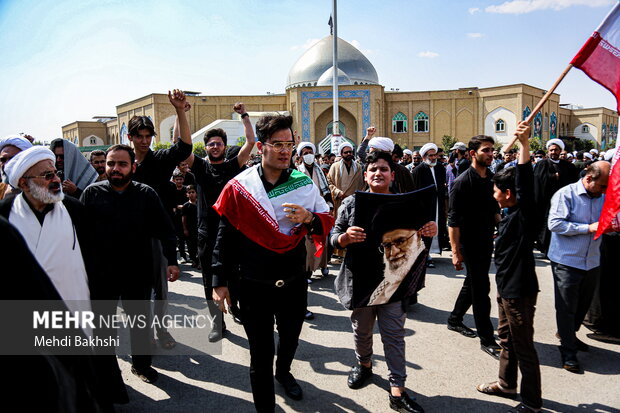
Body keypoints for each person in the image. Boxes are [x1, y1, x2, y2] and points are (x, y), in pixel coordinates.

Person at [211, 114, 334, 413]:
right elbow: (224, 237)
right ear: (261, 147)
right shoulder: (240, 187)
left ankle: (285, 372)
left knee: (290, 339)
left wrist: (309, 219)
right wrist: (219, 281)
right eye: (277, 144)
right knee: (260, 354)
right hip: (253, 285)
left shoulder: (303, 183)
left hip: (293, 281)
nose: (284, 150)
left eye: (288, 144)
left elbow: (326, 221)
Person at [332, 151, 435, 413]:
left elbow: (419, 244)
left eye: (384, 169)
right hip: (361, 282)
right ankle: (364, 365)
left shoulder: (407, 204)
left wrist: (428, 232)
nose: (378, 173)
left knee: (394, 336)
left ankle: (397, 389)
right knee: (362, 331)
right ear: (365, 175)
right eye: (373, 169)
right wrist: (344, 238)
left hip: (394, 283)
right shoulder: (352, 203)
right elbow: (333, 236)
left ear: (392, 174)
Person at [81, 144, 180, 384]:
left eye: (122, 164)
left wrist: (172, 262)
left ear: (133, 167)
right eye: (111, 163)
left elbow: (166, 230)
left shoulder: (146, 194)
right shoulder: (92, 194)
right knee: (102, 327)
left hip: (138, 272)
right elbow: (79, 234)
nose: (116, 168)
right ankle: (107, 375)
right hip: (101, 275)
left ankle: (141, 365)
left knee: (139, 323)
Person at [476, 121, 542, 413]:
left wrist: (525, 145)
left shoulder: (522, 215)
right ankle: (506, 384)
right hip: (506, 289)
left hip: (519, 291)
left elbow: (524, 183)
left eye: (495, 191)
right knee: (507, 339)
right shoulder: (509, 214)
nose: (493, 194)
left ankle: (531, 402)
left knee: (523, 345)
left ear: (506, 193)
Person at [183, 102, 255, 342]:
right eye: (211, 143)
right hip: (206, 233)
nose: (215, 146)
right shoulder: (201, 168)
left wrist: (243, 115)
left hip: (233, 232)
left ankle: (235, 308)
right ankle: (217, 323)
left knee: (235, 275)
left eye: (219, 143)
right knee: (208, 281)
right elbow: (181, 147)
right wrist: (180, 113)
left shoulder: (233, 166)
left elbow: (250, 143)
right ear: (206, 147)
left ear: (224, 146)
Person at [129, 89, 192, 349]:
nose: (144, 141)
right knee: (135, 294)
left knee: (160, 290)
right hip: (128, 238)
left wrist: (179, 110)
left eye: (148, 136)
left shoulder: (160, 161)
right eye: (139, 137)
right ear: (130, 137)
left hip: (157, 236)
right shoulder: (122, 162)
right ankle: (141, 336)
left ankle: (162, 330)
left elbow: (184, 147)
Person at [547, 161, 609, 373]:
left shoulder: (604, 197)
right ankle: (568, 352)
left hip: (591, 260)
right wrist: (586, 228)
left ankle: (569, 335)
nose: (604, 191)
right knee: (566, 307)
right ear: (589, 178)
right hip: (567, 260)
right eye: (602, 186)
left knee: (583, 305)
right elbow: (555, 224)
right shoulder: (566, 194)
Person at [447, 135, 502, 359]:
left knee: (473, 283)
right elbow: (453, 220)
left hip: (486, 239)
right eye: (486, 150)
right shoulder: (462, 182)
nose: (491, 154)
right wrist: (455, 252)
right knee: (481, 288)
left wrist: (504, 227)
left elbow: (494, 209)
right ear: (473, 154)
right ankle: (487, 339)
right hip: (469, 242)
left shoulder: (492, 178)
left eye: (492, 150)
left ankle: (455, 319)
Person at [533, 138, 578, 256]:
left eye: (556, 150)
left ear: (560, 151)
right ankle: (546, 249)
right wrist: (553, 176)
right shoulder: (542, 164)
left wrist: (560, 176)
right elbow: (539, 180)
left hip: (563, 202)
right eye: (551, 150)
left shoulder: (568, 166)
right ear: (548, 151)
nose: (553, 152)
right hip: (546, 201)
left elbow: (572, 182)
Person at [297, 141, 332, 281]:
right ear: (300, 156)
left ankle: (323, 265)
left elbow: (326, 189)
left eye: (310, 152)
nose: (308, 155)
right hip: (305, 210)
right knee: (308, 242)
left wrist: (329, 203)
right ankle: (308, 270)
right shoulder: (297, 171)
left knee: (322, 237)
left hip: (319, 209)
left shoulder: (320, 171)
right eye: (305, 153)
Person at [411, 142, 448, 267]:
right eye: (430, 155)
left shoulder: (440, 168)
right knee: (426, 228)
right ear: (424, 157)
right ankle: (425, 255)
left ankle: (432, 252)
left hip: (437, 204)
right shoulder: (418, 171)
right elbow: (415, 191)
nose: (433, 158)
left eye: (435, 155)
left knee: (437, 225)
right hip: (425, 206)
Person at [327, 141, 364, 218]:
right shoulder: (335, 166)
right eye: (346, 152)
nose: (348, 154)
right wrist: (337, 192)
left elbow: (362, 184)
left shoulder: (358, 167)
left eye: (350, 152)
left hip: (355, 201)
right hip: (340, 200)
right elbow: (329, 182)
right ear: (341, 154)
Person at [0, 134, 32, 199]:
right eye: (3, 160)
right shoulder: (1, 189)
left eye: (12, 159)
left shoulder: (40, 192)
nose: (6, 165)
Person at [182, 184, 199, 268]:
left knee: (199, 245)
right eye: (189, 192)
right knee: (191, 246)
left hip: (199, 227)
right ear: (187, 194)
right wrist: (185, 229)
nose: (191, 194)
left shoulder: (199, 204)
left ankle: (199, 261)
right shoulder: (186, 206)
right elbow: (184, 218)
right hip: (190, 228)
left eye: (193, 192)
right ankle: (194, 260)